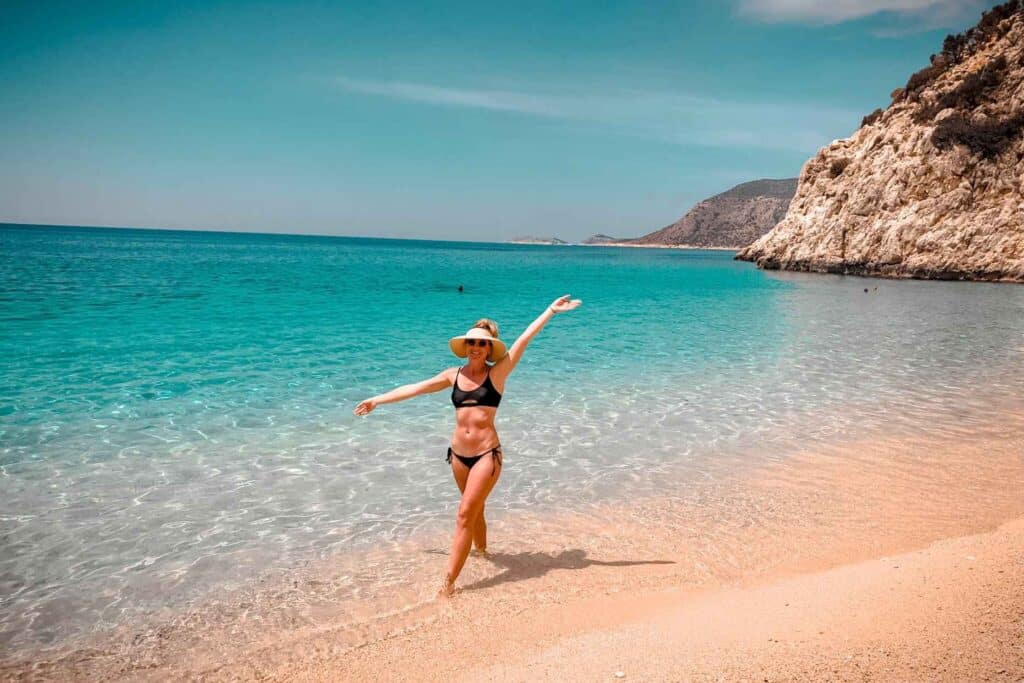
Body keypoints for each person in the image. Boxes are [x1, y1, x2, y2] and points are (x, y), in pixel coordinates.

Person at [353, 294, 582, 596]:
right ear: (466, 347)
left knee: (463, 515)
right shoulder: (453, 375)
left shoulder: (497, 373)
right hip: (458, 457)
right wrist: (377, 400)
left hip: (487, 455)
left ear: (489, 348)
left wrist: (550, 311)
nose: (476, 348)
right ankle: (483, 553)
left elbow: (525, 339)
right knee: (475, 512)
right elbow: (415, 388)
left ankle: (447, 585)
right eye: (472, 343)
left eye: (482, 344)